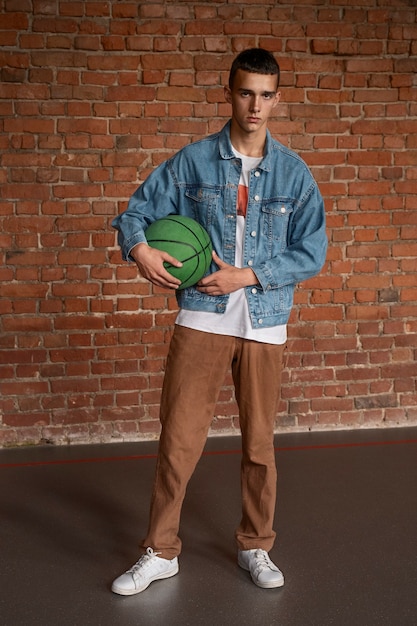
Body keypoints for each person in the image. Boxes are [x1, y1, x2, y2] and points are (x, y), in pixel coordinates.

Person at [111, 48, 327, 596]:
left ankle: (256, 545)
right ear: (229, 93)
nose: (254, 105)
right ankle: (160, 552)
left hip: (264, 322)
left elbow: (313, 252)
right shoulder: (193, 162)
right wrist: (140, 250)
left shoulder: (294, 173)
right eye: (245, 92)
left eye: (265, 95)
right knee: (178, 442)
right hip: (201, 318)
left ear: (276, 99)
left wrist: (248, 276)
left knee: (259, 446)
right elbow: (135, 214)